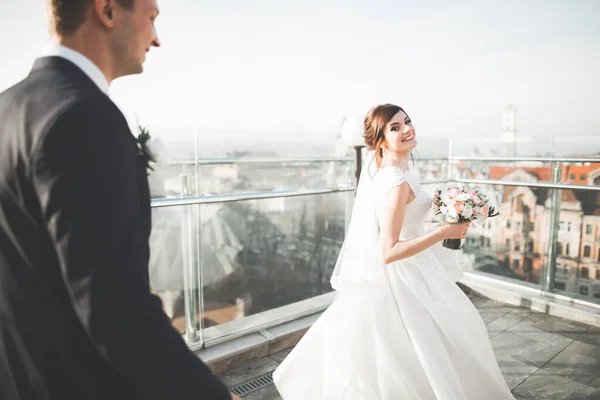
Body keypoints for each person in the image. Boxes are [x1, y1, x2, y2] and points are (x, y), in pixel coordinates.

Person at [0, 0, 239, 399]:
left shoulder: (8, 107)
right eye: (151, 17)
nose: (157, 39)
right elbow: (114, 307)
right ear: (107, 10)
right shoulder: (82, 117)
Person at [273, 104, 514, 399]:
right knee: (425, 347)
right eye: (395, 127)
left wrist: (451, 215)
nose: (407, 129)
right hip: (404, 276)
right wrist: (444, 232)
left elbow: (407, 224)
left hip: (418, 267)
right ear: (380, 140)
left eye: (407, 121)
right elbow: (387, 251)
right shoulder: (396, 183)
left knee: (438, 344)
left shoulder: (403, 172)